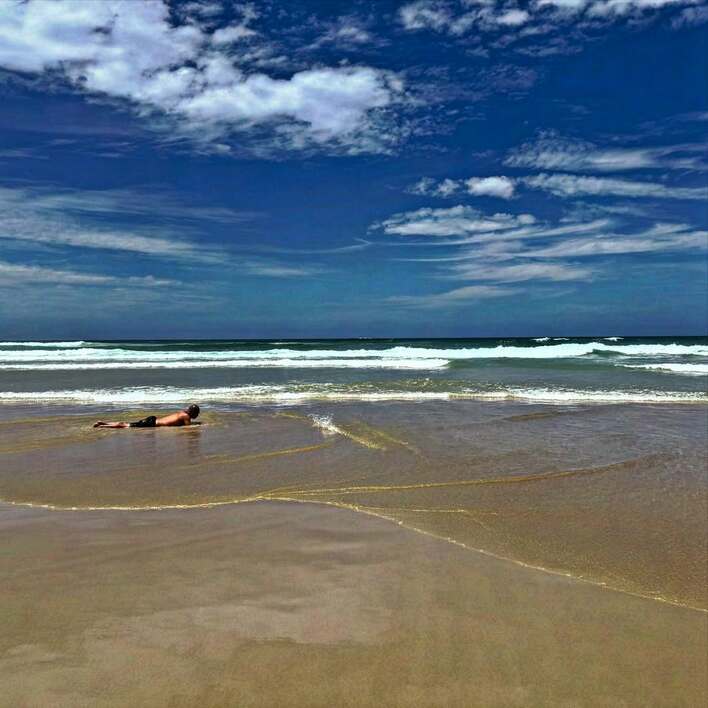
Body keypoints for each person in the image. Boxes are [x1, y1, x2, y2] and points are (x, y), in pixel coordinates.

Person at [93, 404, 200, 429]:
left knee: (125, 424)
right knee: (125, 426)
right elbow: (188, 428)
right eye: (197, 413)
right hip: (152, 423)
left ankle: (103, 423)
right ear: (193, 412)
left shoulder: (181, 413)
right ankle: (103, 426)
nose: (197, 415)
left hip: (153, 420)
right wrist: (200, 426)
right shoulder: (186, 417)